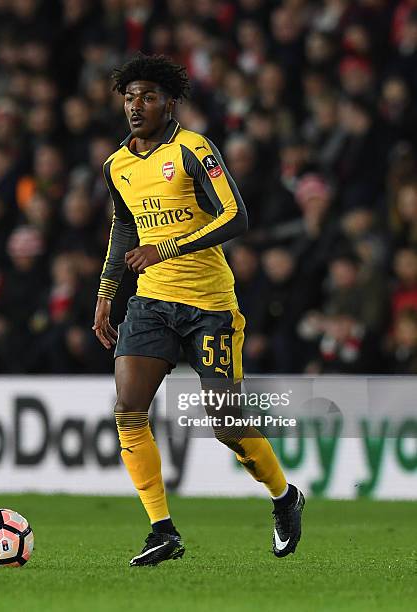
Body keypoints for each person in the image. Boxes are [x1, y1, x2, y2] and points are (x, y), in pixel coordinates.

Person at [92, 54, 305, 567]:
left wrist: (164, 249)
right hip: (150, 303)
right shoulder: (117, 165)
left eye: (147, 96)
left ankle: (284, 496)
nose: (136, 106)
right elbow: (124, 229)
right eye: (129, 98)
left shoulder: (194, 149)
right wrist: (105, 292)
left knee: (226, 423)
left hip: (209, 305)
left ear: (169, 102)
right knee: (128, 411)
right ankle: (161, 529)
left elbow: (236, 215)